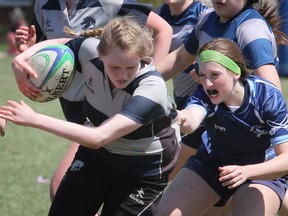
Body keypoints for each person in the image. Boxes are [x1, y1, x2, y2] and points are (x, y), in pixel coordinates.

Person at [0, 16, 180, 216]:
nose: (122, 75)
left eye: (130, 67)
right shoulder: (89, 52)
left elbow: (97, 137)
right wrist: (22, 58)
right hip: (96, 159)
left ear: (143, 58)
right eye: (114, 67)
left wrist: (35, 119)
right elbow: (62, 44)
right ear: (101, 55)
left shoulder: (152, 88)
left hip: (141, 173)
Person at [155, 38, 288, 216]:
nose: (207, 83)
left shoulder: (266, 97)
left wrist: (246, 171)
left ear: (235, 72)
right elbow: (192, 119)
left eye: (214, 75)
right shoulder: (204, 95)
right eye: (202, 76)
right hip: (213, 164)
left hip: (260, 170)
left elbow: (286, 158)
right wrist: (180, 117)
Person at [155, 0, 208, 181]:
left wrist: (207, 66)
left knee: (165, 170)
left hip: (205, 104)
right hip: (181, 104)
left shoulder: (205, 15)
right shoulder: (157, 16)